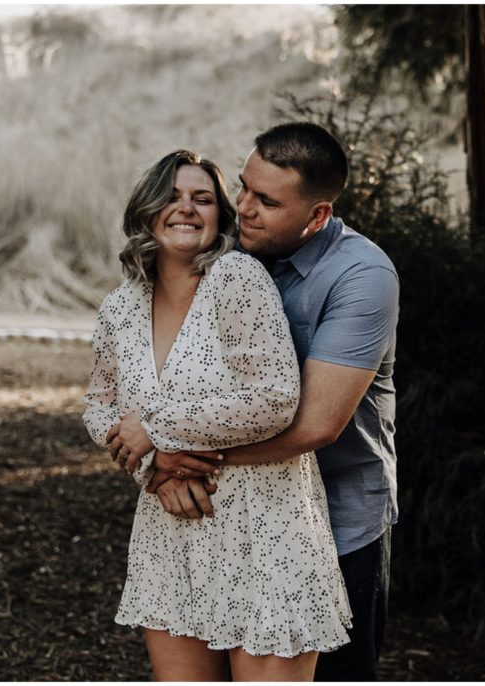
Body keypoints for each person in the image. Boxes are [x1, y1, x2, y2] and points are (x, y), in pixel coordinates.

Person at [111, 123, 399, 681]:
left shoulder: (361, 276)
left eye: (267, 201)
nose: (244, 208)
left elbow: (316, 424)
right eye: (243, 187)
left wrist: (175, 456)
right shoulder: (226, 256)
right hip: (226, 515)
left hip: (336, 520)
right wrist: (162, 460)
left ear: (316, 216)